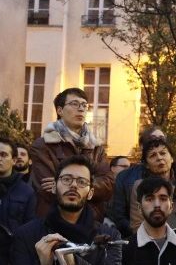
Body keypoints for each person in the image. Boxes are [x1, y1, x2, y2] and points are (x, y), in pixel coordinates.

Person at [29, 88, 114, 220]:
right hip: (54, 221)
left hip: (91, 221)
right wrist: (89, 185)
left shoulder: (96, 147)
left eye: (84, 105)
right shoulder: (42, 145)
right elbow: (48, 190)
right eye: (74, 104)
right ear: (60, 110)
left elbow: (109, 185)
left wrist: (67, 183)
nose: (81, 109)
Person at [128, 138, 176, 240]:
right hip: (153, 247)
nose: (159, 158)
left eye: (163, 153)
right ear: (146, 164)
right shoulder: (139, 186)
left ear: (172, 158)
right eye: (153, 155)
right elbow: (136, 224)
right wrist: (157, 239)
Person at [109, 124, 164, 237]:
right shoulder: (125, 177)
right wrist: (141, 232)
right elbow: (119, 215)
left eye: (162, 139)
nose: (159, 143)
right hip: (136, 238)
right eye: (154, 139)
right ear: (142, 146)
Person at [0, 138, 36, 233]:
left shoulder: (26, 191)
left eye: (3, 155)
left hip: (14, 245)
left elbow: (30, 227)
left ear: (14, 160)